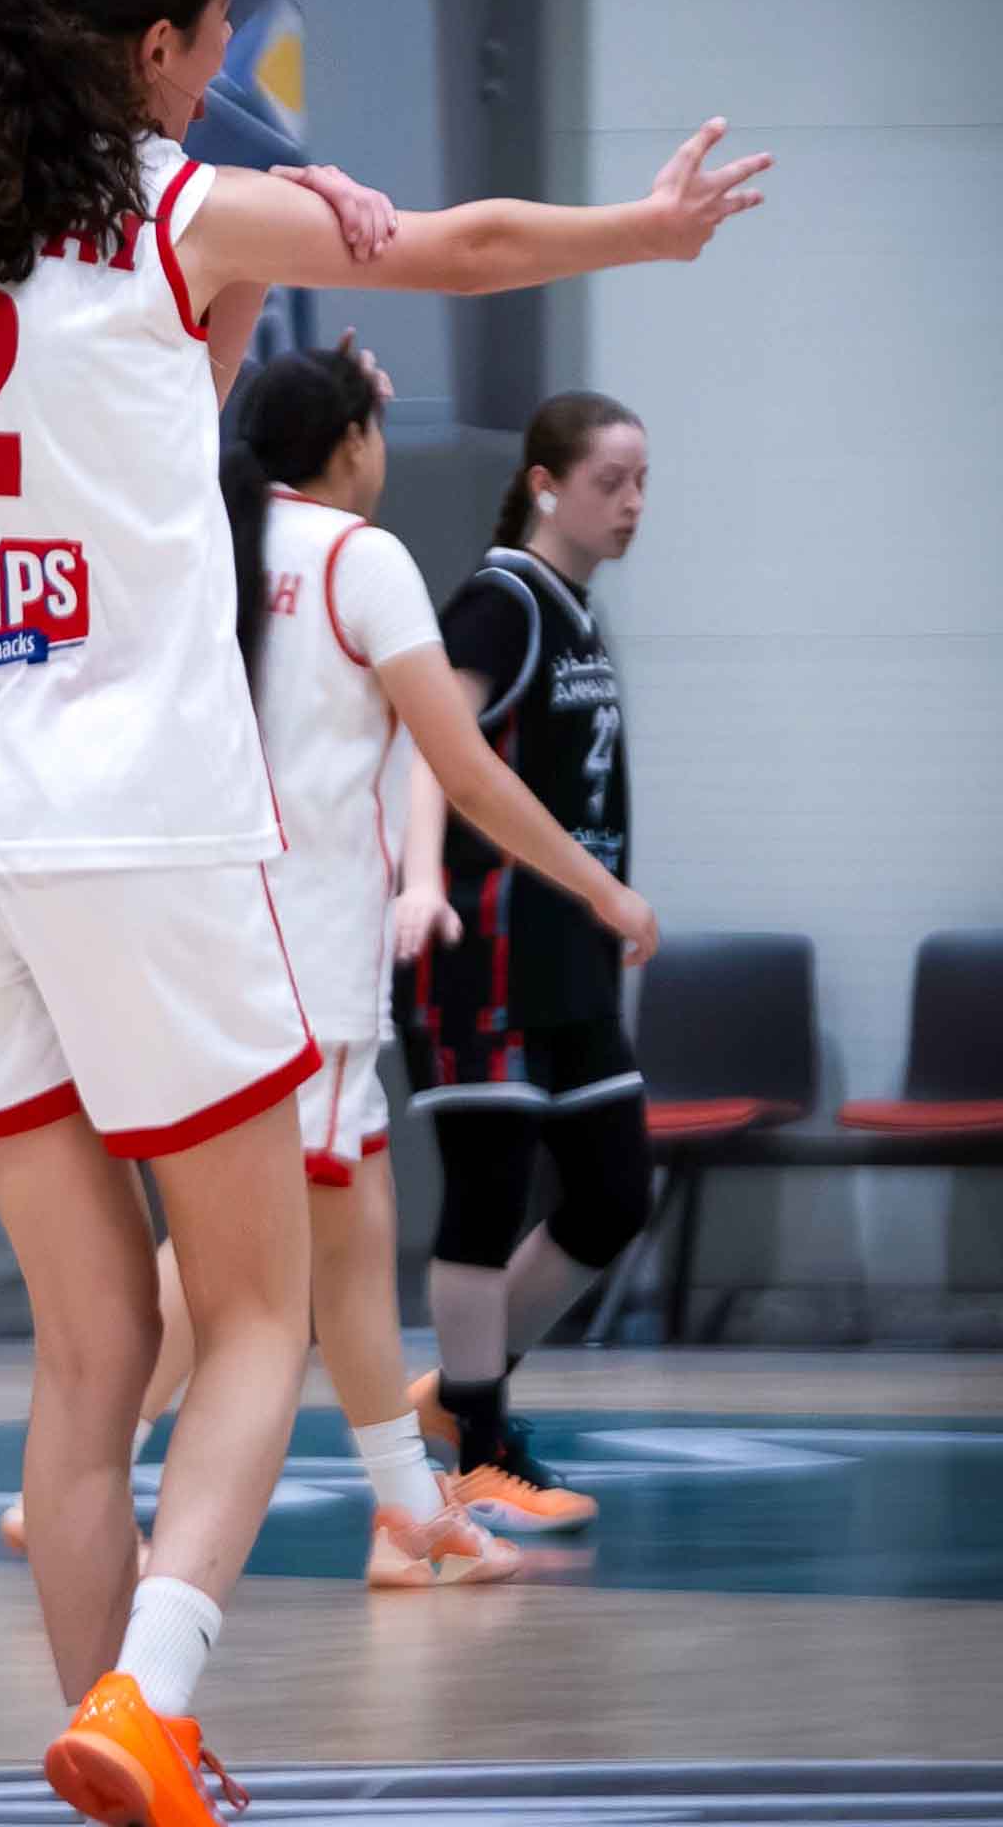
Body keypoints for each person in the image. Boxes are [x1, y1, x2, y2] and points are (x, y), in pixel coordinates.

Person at [0, 0, 768, 1827]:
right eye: (206, 38)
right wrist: (650, 231)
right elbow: (463, 244)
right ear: (159, 47)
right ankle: (156, 1692)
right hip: (128, 819)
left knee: (90, 1343)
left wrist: (256, 253)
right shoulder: (181, 204)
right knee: (256, 1307)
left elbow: (141, 406)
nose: (210, 74)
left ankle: (123, 1742)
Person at [0, 339, 655, 1589]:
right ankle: (79, 1469)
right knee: (245, 1251)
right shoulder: (362, 558)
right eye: (375, 427)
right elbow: (466, 767)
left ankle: (409, 1512)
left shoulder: (193, 540)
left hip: (188, 934)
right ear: (354, 443)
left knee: (347, 1243)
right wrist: (598, 883)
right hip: (299, 954)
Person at [396, 392, 655, 1535]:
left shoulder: (577, 613)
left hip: (568, 953)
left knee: (614, 1190)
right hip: (482, 940)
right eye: (610, 480)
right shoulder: (500, 599)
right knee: (489, 1188)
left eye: (642, 480)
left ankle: (465, 1389)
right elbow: (433, 747)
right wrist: (418, 878)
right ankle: (480, 1443)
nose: (633, 501)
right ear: (546, 484)